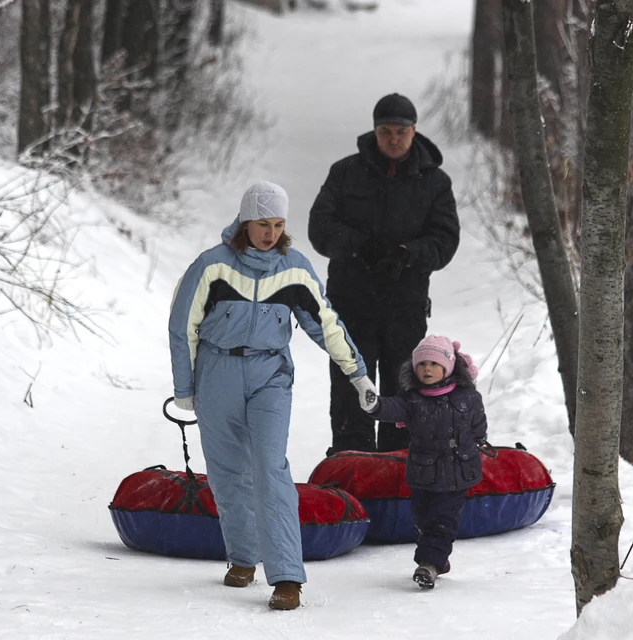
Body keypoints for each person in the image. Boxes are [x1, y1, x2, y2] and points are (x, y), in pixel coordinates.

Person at [168, 181, 377, 611]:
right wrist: (184, 388)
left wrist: (358, 374)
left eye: (278, 224)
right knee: (227, 472)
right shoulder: (212, 266)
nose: (270, 232)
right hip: (217, 371)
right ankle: (243, 557)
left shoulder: (295, 269)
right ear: (245, 222)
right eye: (263, 224)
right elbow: (181, 326)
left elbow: (326, 325)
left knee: (270, 467)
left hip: (270, 374)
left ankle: (286, 576)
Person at [308, 93, 461, 455]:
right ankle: (351, 461)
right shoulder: (344, 173)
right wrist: (362, 246)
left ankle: (400, 463)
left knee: (404, 387)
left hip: (404, 306)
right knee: (351, 385)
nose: (393, 139)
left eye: (401, 131)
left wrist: (408, 254)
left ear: (414, 131)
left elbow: (445, 239)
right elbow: (320, 229)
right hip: (350, 305)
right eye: (385, 131)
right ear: (374, 130)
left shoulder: (435, 182)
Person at [363, 335, 487, 590]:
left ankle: (429, 565)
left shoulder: (468, 397)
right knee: (422, 518)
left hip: (456, 473)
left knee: (443, 521)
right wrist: (374, 405)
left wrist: (477, 443)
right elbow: (391, 408)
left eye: (433, 363)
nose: (427, 369)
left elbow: (478, 425)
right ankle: (438, 557)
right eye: (422, 365)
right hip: (424, 473)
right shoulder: (412, 400)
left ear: (448, 367)